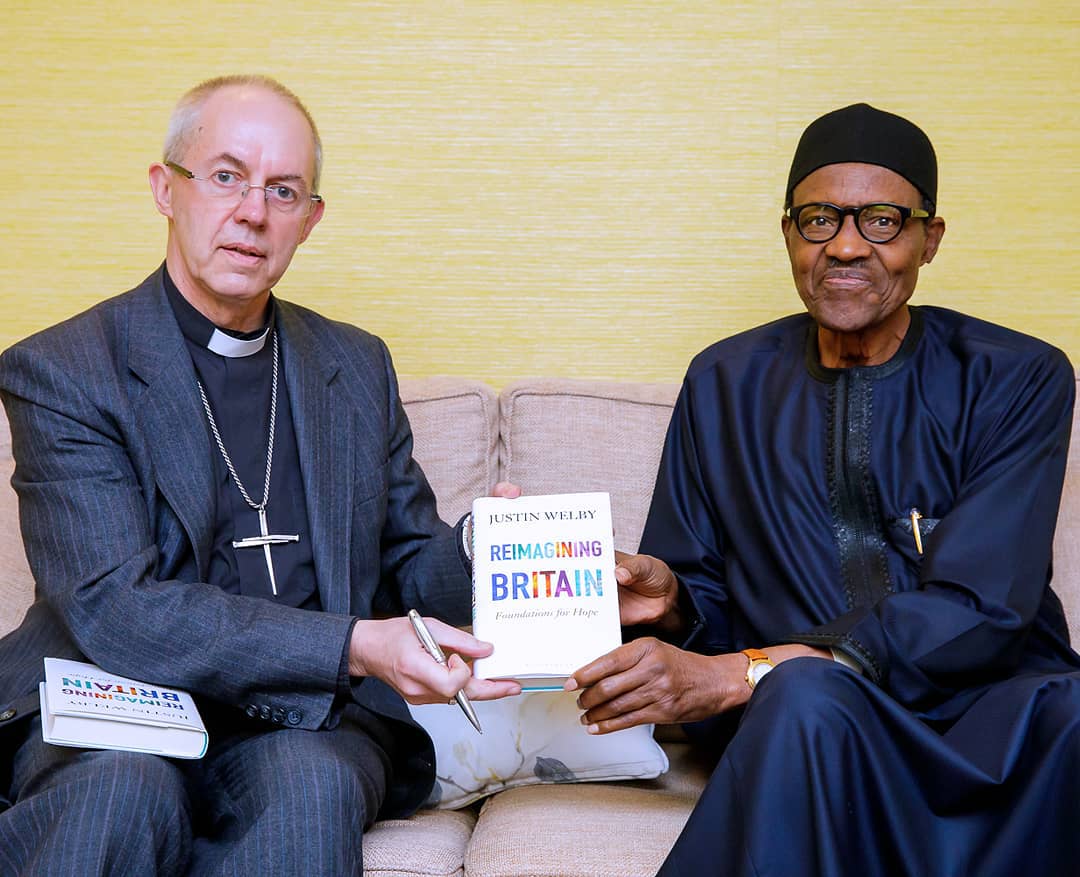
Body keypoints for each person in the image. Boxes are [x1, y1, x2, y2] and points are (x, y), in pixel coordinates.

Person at [0, 74, 519, 875]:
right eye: (226, 175)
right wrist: (352, 643)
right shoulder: (65, 369)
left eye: (284, 190)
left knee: (311, 784)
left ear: (310, 222)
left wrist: (492, 546)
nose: (252, 211)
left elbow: (409, 564)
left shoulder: (353, 364)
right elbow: (117, 610)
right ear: (165, 189)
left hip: (301, 720)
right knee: (123, 791)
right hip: (115, 703)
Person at [568, 103, 1080, 876]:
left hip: (991, 716)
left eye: (881, 220)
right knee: (803, 698)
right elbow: (699, 590)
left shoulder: (1016, 375)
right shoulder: (724, 381)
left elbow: (986, 607)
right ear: (788, 234)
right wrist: (669, 597)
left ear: (927, 239)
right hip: (817, 721)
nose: (845, 246)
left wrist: (744, 668)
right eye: (818, 219)